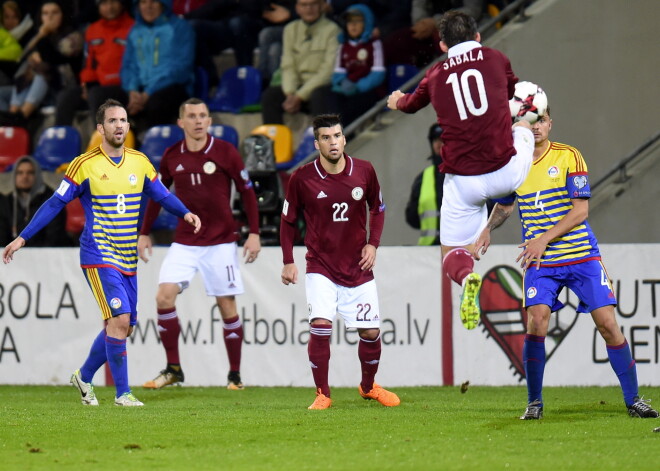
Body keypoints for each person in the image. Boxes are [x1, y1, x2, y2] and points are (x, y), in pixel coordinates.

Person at [2, 99, 202, 407]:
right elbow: (55, 203)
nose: (119, 125)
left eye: (123, 120)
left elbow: (161, 195)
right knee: (119, 319)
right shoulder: (85, 164)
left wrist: (185, 212)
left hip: (127, 257)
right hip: (98, 252)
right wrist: (23, 238)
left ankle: (83, 376)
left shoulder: (139, 161)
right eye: (112, 121)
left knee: (123, 326)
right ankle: (123, 394)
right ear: (100, 128)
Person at [473, 107, 659, 420]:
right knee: (537, 320)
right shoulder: (513, 165)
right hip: (541, 261)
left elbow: (580, 212)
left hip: (581, 256)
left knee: (608, 325)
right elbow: (505, 205)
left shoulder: (570, 156)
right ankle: (534, 403)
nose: (536, 128)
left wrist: (543, 238)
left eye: (541, 121)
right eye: (530, 122)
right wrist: (488, 229)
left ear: (550, 124)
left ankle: (634, 399)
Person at [387, 11, 534, 331]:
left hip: (465, 182)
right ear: (478, 37)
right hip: (506, 170)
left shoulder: (436, 75)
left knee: (451, 254)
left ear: (442, 44)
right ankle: (512, 195)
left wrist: (397, 100)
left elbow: (411, 105)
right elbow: (513, 92)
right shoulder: (495, 58)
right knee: (522, 125)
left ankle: (468, 277)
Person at [138, 98, 262, 390]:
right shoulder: (171, 156)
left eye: (203, 116)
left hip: (220, 241)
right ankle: (173, 369)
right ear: (181, 122)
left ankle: (234, 376)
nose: (198, 121)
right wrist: (144, 232)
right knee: (163, 297)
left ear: (209, 121)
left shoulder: (225, 152)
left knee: (226, 304)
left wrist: (254, 233)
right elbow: (159, 194)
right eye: (192, 116)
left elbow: (247, 192)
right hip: (185, 241)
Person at [280, 113, 400, 410]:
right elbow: (287, 221)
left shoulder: (365, 171)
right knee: (320, 325)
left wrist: (373, 244)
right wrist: (288, 260)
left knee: (371, 332)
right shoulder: (302, 178)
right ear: (317, 142)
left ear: (344, 139)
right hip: (321, 265)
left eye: (336, 136)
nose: (332, 142)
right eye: (325, 137)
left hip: (358, 268)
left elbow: (379, 208)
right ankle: (323, 393)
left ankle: (368, 387)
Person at [54, 0, 134, 126]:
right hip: (98, 86)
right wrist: (87, 84)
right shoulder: (92, 30)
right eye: (104, 3)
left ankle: (103, 142)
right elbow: (88, 63)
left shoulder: (133, 28)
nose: (109, 7)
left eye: (113, 2)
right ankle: (61, 140)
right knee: (66, 97)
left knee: (96, 95)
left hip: (123, 87)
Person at [260, 0, 340, 125]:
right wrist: (290, 93)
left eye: (313, 4)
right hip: (296, 86)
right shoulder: (290, 29)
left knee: (319, 96)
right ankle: (273, 141)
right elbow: (288, 65)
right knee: (270, 96)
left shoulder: (333, 30)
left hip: (319, 86)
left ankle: (324, 140)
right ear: (297, 8)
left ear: (321, 6)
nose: (309, 9)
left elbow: (328, 71)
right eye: (304, 5)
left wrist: (300, 95)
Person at [121, 0, 194, 134]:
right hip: (141, 89)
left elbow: (181, 69)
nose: (148, 7)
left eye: (154, 2)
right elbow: (129, 66)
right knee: (109, 101)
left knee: (156, 104)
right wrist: (132, 91)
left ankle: (155, 149)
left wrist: (148, 92)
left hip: (173, 86)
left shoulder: (180, 27)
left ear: (163, 4)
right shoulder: (135, 30)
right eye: (143, 2)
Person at [326, 3, 386, 126]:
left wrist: (358, 86)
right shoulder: (343, 46)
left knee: (354, 105)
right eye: (349, 22)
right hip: (348, 88)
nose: (353, 25)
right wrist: (342, 83)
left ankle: (348, 137)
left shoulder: (374, 44)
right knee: (331, 98)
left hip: (368, 90)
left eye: (358, 21)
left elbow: (378, 73)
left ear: (367, 23)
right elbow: (338, 73)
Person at [0, 155, 70, 246]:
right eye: (20, 173)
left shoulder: (52, 201)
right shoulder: (7, 203)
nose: (25, 177)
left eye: (30, 173)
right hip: (14, 257)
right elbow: (2, 236)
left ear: (37, 175)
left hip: (47, 255)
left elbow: (54, 237)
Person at [405, 123, 445, 245]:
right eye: (436, 140)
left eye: (444, 140)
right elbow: (412, 217)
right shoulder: (423, 178)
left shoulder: (465, 175)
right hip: (428, 250)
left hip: (460, 248)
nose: (439, 144)